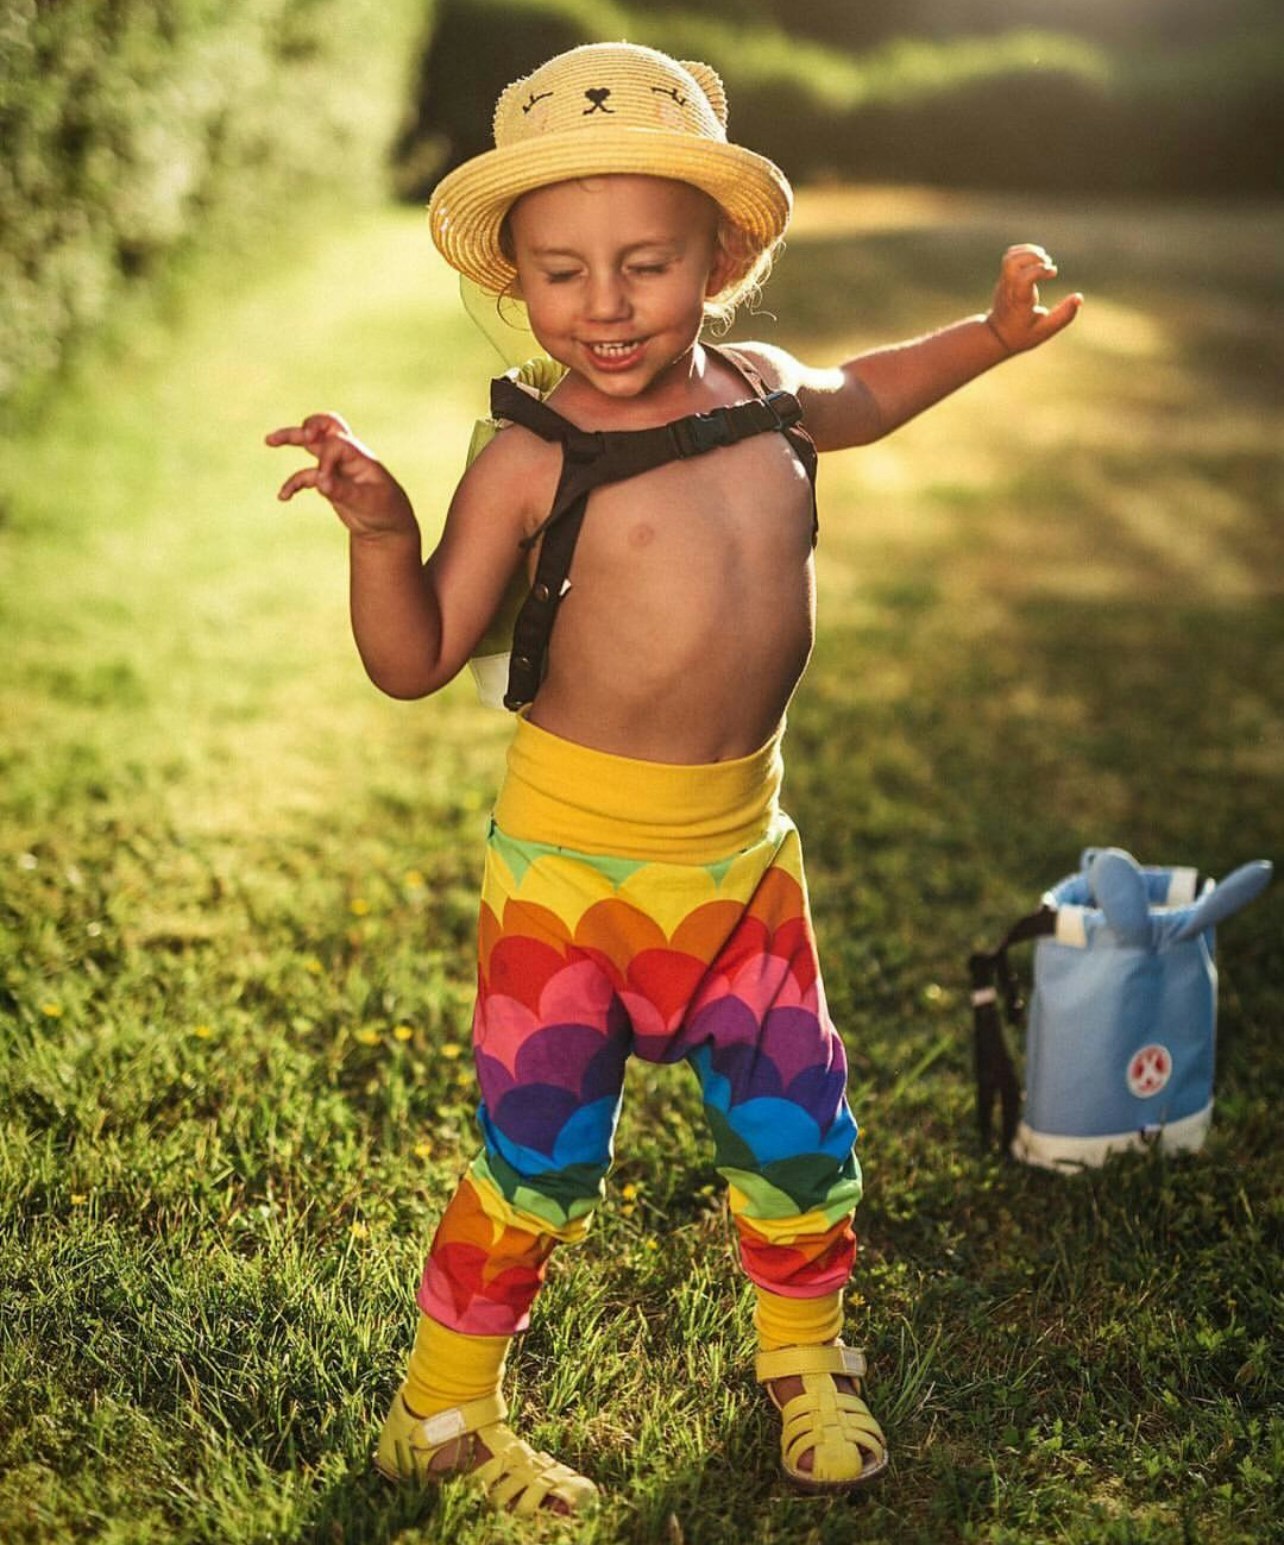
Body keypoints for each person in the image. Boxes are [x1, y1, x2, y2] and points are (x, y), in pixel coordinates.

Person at [267, 40, 1081, 1518]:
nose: (606, 303)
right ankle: (439, 1417)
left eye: (645, 262)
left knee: (800, 1127)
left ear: (721, 255)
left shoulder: (769, 393)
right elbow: (420, 655)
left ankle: (808, 1363)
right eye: (563, 272)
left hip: (742, 864)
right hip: (571, 878)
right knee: (534, 1159)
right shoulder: (534, 449)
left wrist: (989, 336)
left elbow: (874, 393)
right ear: (517, 283)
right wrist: (382, 533)